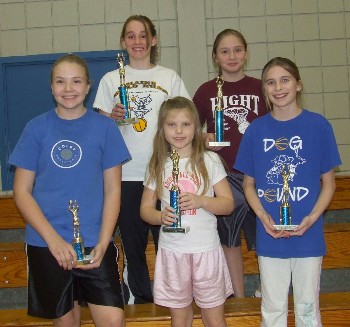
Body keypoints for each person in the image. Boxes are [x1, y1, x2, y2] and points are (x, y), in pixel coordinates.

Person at [8, 54, 131, 327]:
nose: (68, 89)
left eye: (76, 81)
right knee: (66, 322)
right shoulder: (35, 129)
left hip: (95, 242)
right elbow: (22, 192)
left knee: (113, 320)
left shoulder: (106, 128)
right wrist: (53, 241)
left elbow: (113, 191)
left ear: (88, 86)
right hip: (48, 244)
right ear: (51, 87)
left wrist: (104, 240)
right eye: (60, 82)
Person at [234, 57, 341, 326]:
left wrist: (312, 218)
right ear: (264, 89)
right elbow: (248, 184)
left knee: (307, 308)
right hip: (271, 233)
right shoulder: (256, 130)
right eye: (271, 82)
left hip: (308, 233)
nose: (278, 87)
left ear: (298, 85)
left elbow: (329, 183)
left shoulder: (318, 126)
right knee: (272, 308)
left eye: (285, 80)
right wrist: (262, 217)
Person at [93, 15, 190, 304]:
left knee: (169, 240)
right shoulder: (111, 79)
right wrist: (113, 117)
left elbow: (185, 119)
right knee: (133, 244)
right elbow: (99, 127)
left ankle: (173, 296)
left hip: (165, 174)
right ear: (124, 41)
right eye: (131, 36)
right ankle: (141, 297)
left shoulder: (169, 77)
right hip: (125, 174)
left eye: (143, 35)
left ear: (153, 40)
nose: (137, 41)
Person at [140, 96, 234, 327]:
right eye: (172, 125)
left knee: (214, 319)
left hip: (206, 250)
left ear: (197, 127)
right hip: (173, 252)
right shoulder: (157, 164)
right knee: (180, 320)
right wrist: (160, 217)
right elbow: (145, 210)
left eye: (186, 124)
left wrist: (202, 201)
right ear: (162, 129)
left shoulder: (209, 160)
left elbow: (228, 204)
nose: (179, 131)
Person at [193, 29, 267, 298]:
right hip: (223, 179)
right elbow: (185, 130)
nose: (232, 56)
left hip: (259, 176)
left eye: (237, 50)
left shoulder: (261, 87)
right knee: (230, 240)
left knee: (264, 236)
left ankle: (266, 287)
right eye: (224, 51)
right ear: (215, 57)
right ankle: (238, 296)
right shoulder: (205, 91)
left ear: (246, 53)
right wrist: (204, 138)